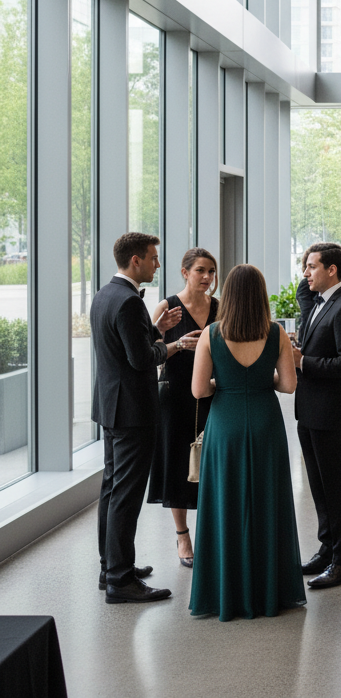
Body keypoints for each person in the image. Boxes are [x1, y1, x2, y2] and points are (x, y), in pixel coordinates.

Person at [188, 264, 306, 620]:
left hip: (225, 424)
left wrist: (225, 384)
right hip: (265, 423)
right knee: (267, 503)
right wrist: (260, 382)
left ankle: (226, 592)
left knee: (225, 503)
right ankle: (268, 591)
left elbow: (198, 390)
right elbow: (289, 385)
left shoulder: (211, 334)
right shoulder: (276, 333)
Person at [92, 232, 180, 603]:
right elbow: (141, 359)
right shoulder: (129, 301)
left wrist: (155, 330)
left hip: (111, 407)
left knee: (112, 489)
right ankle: (120, 581)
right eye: (153, 258)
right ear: (135, 260)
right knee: (126, 495)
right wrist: (172, 345)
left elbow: (124, 343)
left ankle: (110, 567)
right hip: (132, 412)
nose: (157, 264)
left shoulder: (105, 294)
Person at [290, 243, 341, 589]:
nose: (306, 273)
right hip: (310, 409)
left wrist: (302, 361)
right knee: (318, 487)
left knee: (334, 487)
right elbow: (304, 290)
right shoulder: (319, 302)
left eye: (312, 266)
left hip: (330, 411)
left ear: (332, 270)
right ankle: (327, 548)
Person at [147, 247, 218, 568]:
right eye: (200, 270)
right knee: (177, 463)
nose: (207, 277)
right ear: (185, 272)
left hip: (213, 394)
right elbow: (148, 354)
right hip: (175, 396)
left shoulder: (220, 307)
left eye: (211, 271)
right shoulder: (167, 307)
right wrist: (178, 345)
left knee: (212, 463)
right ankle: (182, 534)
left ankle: (211, 531)